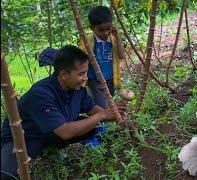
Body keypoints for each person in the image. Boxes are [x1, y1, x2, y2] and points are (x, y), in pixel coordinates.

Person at [1, 45, 126, 179]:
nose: (85, 78)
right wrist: (102, 115)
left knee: (91, 126)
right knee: (7, 175)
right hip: (25, 138)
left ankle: (51, 150)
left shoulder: (78, 89)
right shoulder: (41, 94)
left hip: (51, 132)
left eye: (86, 72)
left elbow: (93, 110)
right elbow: (65, 132)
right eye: (81, 74)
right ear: (63, 74)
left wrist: (114, 114)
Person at [79, 5, 126, 108]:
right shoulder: (88, 41)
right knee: (104, 106)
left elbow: (121, 56)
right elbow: (81, 59)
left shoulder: (113, 39)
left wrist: (117, 37)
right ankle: (103, 120)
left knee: (109, 101)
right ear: (92, 28)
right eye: (101, 30)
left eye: (108, 29)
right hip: (96, 81)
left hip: (110, 79)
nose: (105, 33)